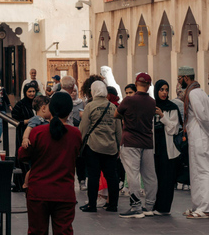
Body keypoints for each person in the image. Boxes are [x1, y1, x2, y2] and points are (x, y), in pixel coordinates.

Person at [18, 92, 82, 235]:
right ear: (70, 111)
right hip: (64, 191)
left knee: (37, 231)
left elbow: (22, 155)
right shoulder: (75, 134)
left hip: (39, 191)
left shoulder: (38, 132)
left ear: (50, 108)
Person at [115, 72, 157, 218]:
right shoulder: (152, 102)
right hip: (147, 142)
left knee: (133, 174)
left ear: (135, 82)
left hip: (130, 141)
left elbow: (116, 114)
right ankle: (150, 206)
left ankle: (136, 206)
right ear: (149, 85)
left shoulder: (128, 100)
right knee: (150, 175)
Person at [78, 80, 121, 213]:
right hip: (111, 147)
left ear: (93, 91)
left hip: (94, 147)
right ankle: (113, 205)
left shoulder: (90, 107)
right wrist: (118, 147)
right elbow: (118, 130)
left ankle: (92, 204)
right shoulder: (113, 107)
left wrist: (79, 146)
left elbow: (83, 128)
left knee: (93, 176)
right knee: (112, 176)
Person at [178, 66, 209, 218]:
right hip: (196, 137)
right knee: (195, 172)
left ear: (186, 77)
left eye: (179, 78)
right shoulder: (197, 92)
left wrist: (206, 133)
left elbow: (203, 117)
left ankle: (205, 208)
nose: (179, 82)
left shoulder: (195, 93)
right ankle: (197, 205)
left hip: (200, 137)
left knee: (202, 172)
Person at [152, 79, 181, 215]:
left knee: (166, 179)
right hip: (153, 148)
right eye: (161, 89)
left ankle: (164, 208)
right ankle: (153, 205)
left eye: (166, 90)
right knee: (153, 178)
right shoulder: (151, 106)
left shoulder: (172, 107)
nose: (164, 92)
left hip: (168, 149)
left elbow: (174, 129)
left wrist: (162, 116)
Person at [0, 77, 11, 143]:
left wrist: (9, 105)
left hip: (2, 108)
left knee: (0, 123)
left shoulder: (2, 89)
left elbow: (6, 97)